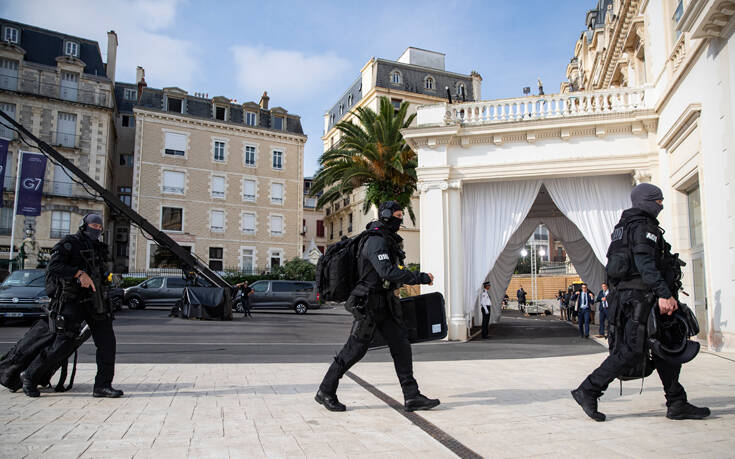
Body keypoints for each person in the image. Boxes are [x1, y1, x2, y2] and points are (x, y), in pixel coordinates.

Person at [572, 183, 710, 422]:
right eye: (658, 201)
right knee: (631, 351)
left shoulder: (622, 228)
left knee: (664, 347)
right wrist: (664, 294)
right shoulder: (644, 227)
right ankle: (589, 389)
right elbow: (646, 264)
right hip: (642, 299)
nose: (662, 205)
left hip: (630, 298)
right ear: (647, 202)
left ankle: (677, 402)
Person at [315, 201, 439, 413]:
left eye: (402, 215)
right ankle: (326, 390)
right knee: (354, 350)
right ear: (387, 215)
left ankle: (412, 396)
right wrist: (420, 277)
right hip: (368, 305)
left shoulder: (387, 240)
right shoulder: (375, 240)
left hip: (385, 304)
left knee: (401, 346)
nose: (401, 219)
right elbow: (387, 271)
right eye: (398, 215)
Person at [21, 214, 122, 398]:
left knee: (108, 344)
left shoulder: (99, 247)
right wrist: (78, 273)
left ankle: (102, 385)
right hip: (73, 302)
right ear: (84, 225)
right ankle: (29, 376)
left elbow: (99, 270)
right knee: (62, 343)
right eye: (93, 225)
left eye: (100, 227)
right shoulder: (69, 243)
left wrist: (108, 276)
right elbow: (54, 267)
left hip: (96, 301)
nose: (97, 229)